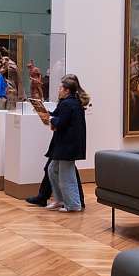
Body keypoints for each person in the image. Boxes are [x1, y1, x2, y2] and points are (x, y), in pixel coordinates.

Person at [36, 74, 89, 212]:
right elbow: (57, 114)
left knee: (67, 176)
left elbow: (60, 122)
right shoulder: (70, 103)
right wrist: (43, 111)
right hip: (67, 144)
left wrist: (50, 120)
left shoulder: (67, 104)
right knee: (52, 169)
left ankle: (74, 204)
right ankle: (60, 199)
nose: (58, 90)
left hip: (68, 145)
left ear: (67, 90)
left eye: (60, 88)